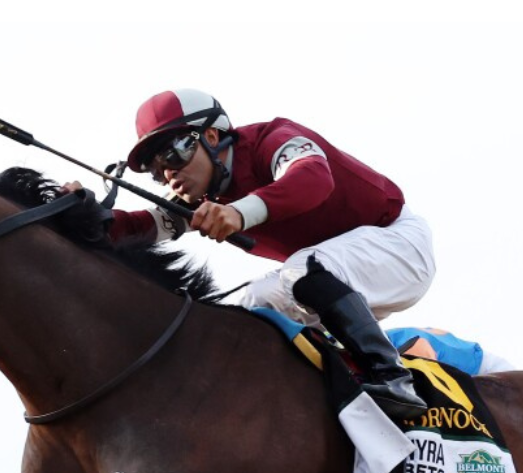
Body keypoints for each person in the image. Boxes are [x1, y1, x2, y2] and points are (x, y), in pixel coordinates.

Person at [99, 89, 429, 419]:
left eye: (175, 154)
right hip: (333, 274)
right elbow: (137, 228)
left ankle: (393, 380)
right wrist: (76, 212)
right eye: (157, 170)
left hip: (399, 245)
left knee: (302, 268)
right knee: (243, 310)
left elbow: (313, 178)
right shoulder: (201, 197)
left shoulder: (271, 139)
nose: (170, 174)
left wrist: (240, 213)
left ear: (211, 136)